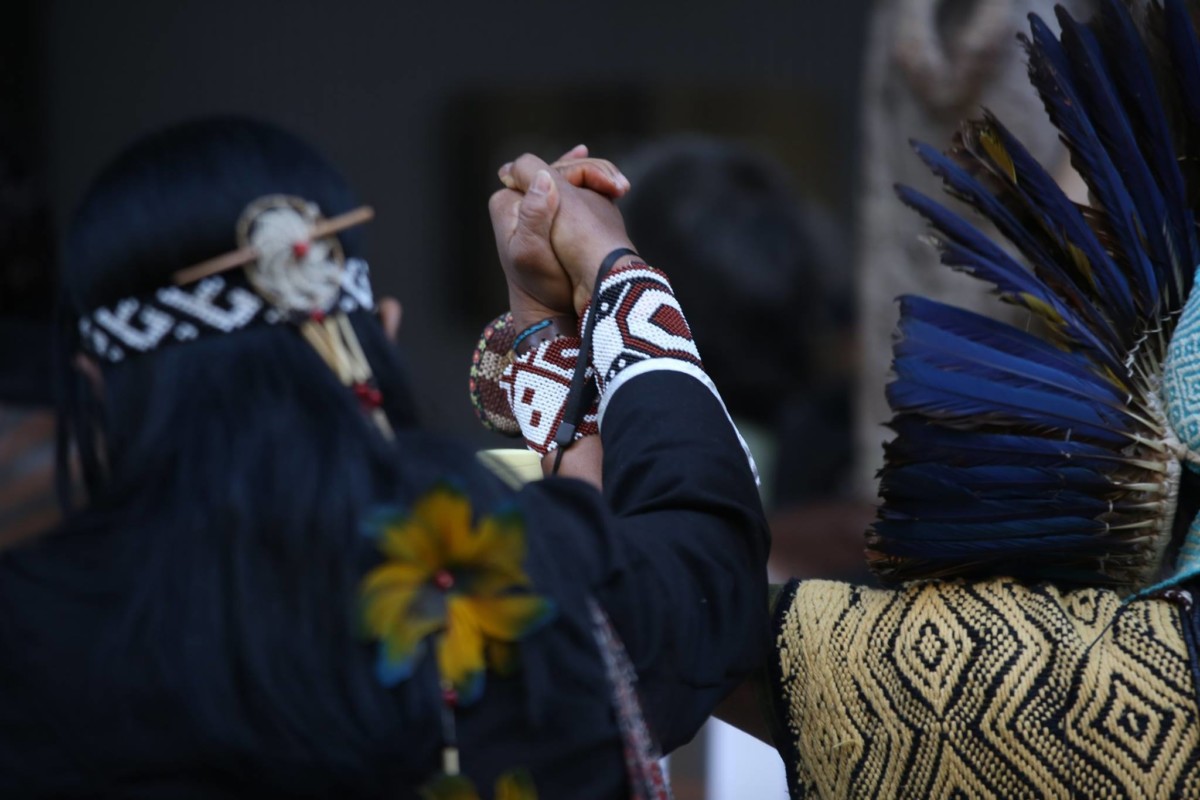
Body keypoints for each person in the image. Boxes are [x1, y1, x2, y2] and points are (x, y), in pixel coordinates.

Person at [0, 117, 768, 799]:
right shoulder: (507, 579)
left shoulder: (28, 647)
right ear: (382, 334)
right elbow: (704, 565)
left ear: (94, 386)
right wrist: (607, 266)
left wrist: (549, 338)